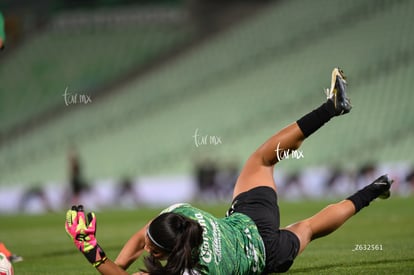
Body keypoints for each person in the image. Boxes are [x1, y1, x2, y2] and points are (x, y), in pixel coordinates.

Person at [65, 68, 394, 274]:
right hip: (253, 220)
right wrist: (111, 261)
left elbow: (143, 244)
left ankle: (375, 188)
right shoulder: (182, 215)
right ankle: (330, 109)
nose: (147, 248)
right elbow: (145, 237)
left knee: (308, 227)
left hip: (266, 256)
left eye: (154, 248)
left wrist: (94, 253)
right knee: (263, 160)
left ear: (172, 251)